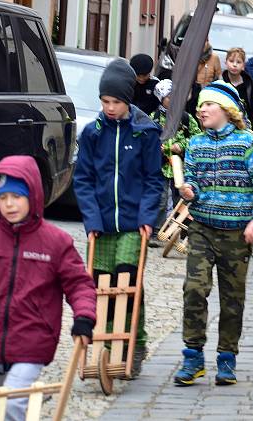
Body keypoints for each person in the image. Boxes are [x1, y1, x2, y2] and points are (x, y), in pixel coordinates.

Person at [0, 156, 97, 421]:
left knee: (10, 405)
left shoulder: (55, 242)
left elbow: (79, 284)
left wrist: (84, 318)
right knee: (3, 403)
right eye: (3, 197)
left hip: (33, 339)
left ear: (33, 194)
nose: (9, 204)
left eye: (17, 197)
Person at [174, 80, 253, 386]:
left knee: (232, 299)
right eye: (200, 104)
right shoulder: (195, 145)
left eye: (208, 105)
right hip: (202, 228)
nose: (202, 110)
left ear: (227, 110)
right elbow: (193, 182)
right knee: (194, 289)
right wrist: (189, 190)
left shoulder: (247, 144)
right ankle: (193, 357)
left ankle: (227, 358)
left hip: (236, 234)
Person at [73, 60, 164, 375]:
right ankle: (106, 344)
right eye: (105, 102)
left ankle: (131, 343)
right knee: (101, 285)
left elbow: (154, 180)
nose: (110, 108)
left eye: (116, 102)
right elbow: (83, 179)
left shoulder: (144, 132)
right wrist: (91, 220)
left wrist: (147, 217)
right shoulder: (92, 133)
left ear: (128, 100)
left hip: (131, 224)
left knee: (127, 281)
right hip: (102, 225)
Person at [150, 79, 202, 237]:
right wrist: (161, 147)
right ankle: (156, 230)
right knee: (161, 198)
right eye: (168, 97)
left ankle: (182, 231)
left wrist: (182, 146)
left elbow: (197, 137)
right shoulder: (155, 118)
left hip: (181, 166)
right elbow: (148, 138)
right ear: (161, 99)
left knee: (182, 197)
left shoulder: (185, 118)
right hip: (161, 165)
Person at [221, 47, 253, 139]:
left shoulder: (251, 87)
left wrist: (250, 128)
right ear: (226, 62)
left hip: (246, 135)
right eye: (231, 61)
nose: (234, 65)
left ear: (243, 66)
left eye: (238, 62)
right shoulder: (220, 84)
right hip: (223, 134)